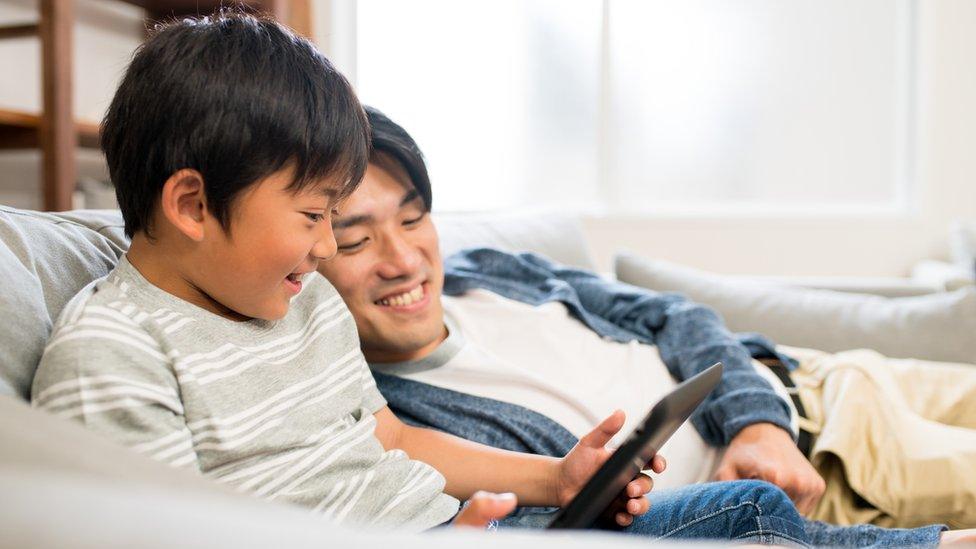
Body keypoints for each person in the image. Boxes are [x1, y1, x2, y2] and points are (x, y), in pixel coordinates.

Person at [29, 12, 826, 546]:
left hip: (467, 528)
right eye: (315, 217)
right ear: (194, 204)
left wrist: (557, 477)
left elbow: (392, 437)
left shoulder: (296, 306)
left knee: (745, 508)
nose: (320, 252)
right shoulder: (111, 356)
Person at [316, 106, 976, 546]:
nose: (403, 260)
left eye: (411, 219)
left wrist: (757, 420)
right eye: (355, 242)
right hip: (835, 456)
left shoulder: (485, 268)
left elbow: (670, 312)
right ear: (306, 262)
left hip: (813, 374)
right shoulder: (400, 423)